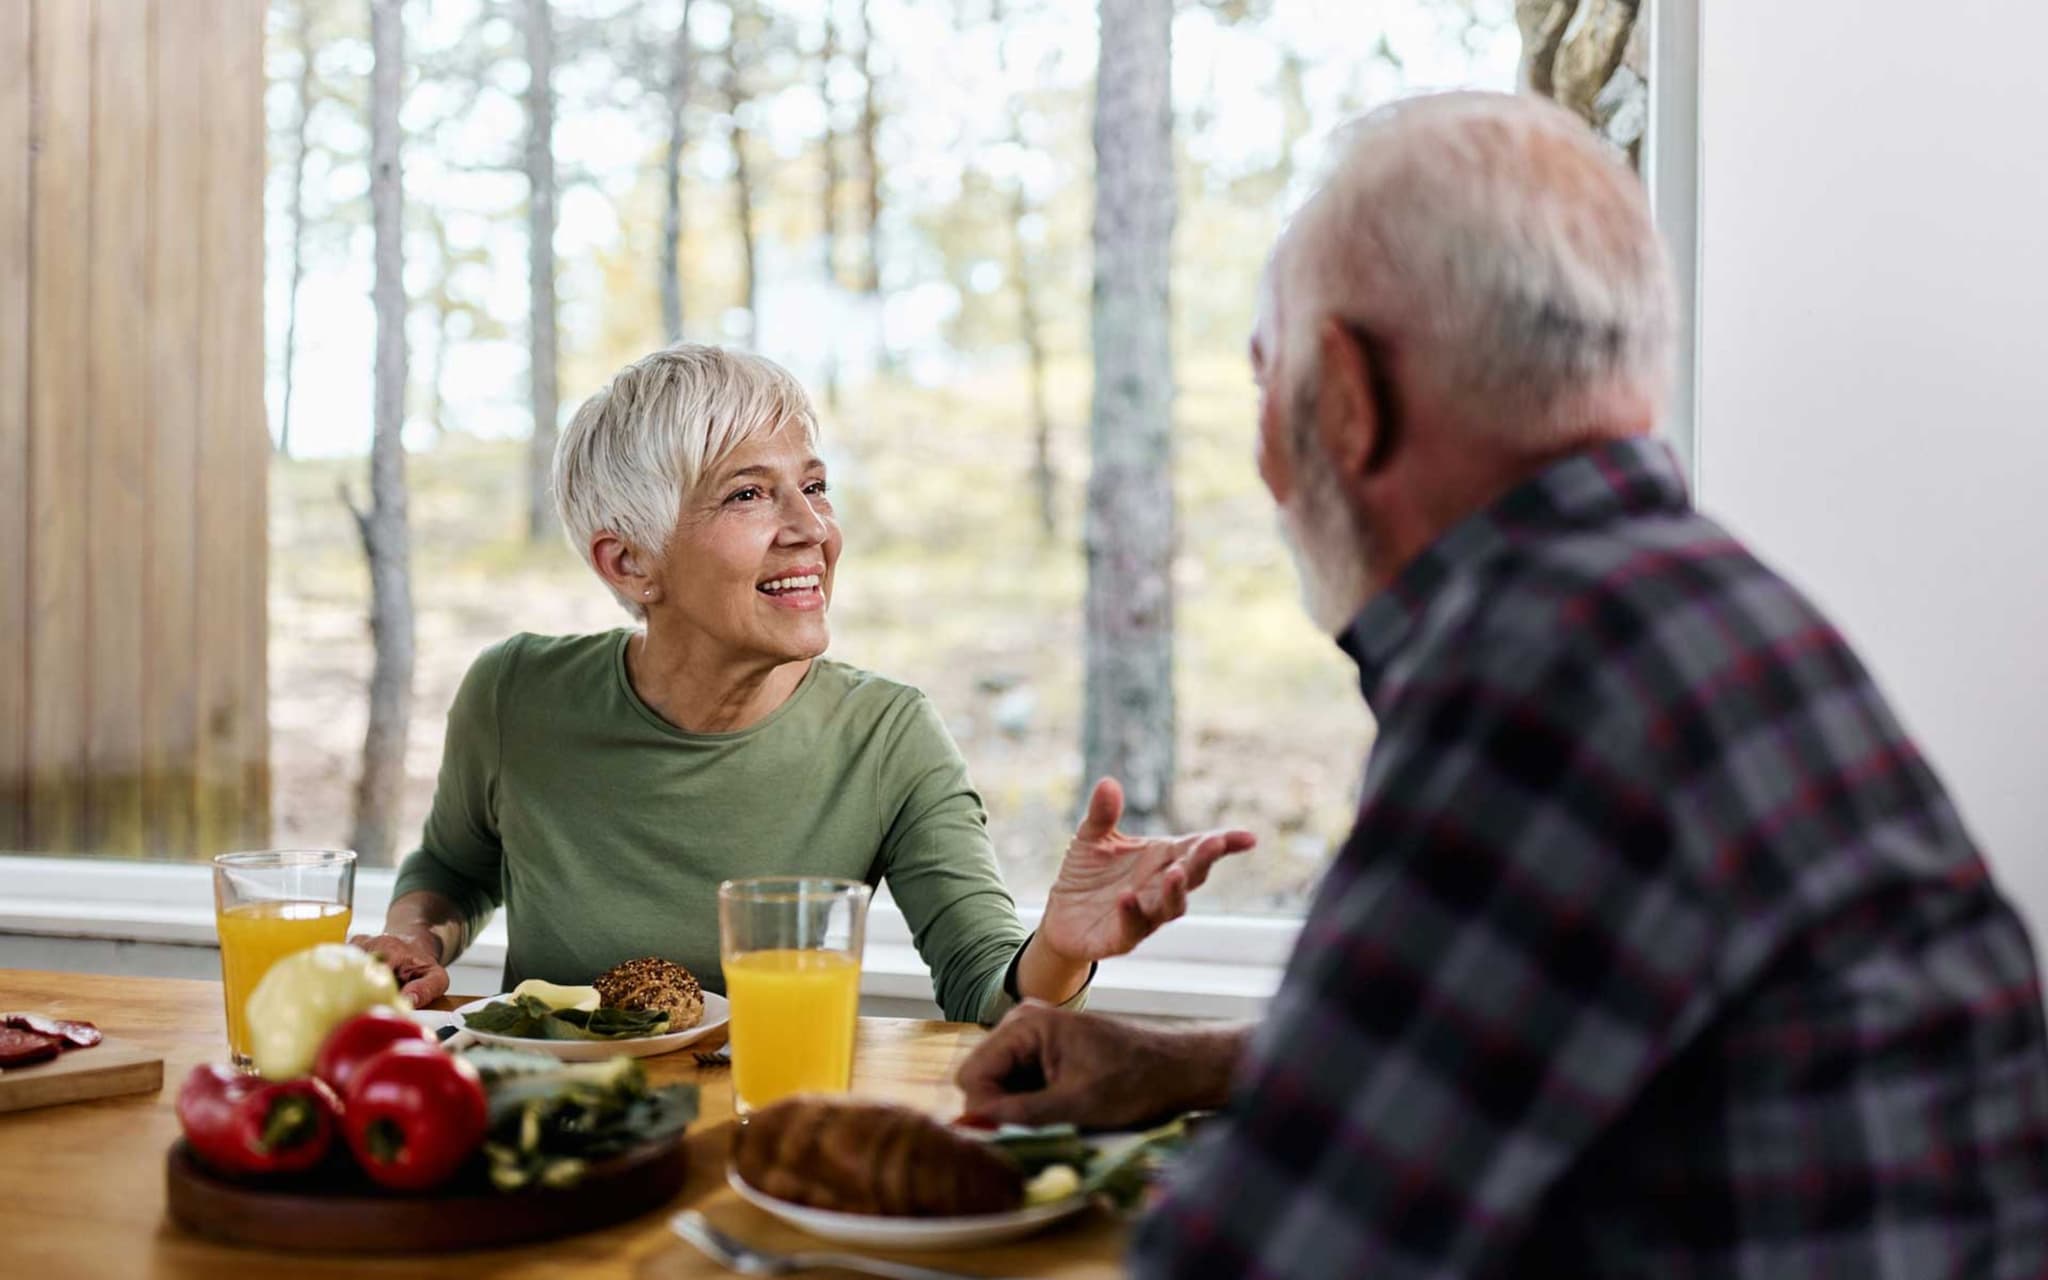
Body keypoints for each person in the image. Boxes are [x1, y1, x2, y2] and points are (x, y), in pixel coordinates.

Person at [957, 91, 2048, 1276]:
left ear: (1347, 393)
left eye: (1264, 380)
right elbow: (1557, 1047)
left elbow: (1252, 1258)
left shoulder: (1549, 676)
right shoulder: (1678, 610)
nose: (1265, 453)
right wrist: (1196, 1063)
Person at [350, 344, 1255, 1023]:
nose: (810, 529)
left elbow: (987, 985)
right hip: (567, 1140)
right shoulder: (516, 695)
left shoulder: (888, 736)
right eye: (748, 495)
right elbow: (455, 869)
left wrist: (1060, 948)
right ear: (630, 563)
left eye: (814, 487)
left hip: (770, 1134)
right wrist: (418, 940)